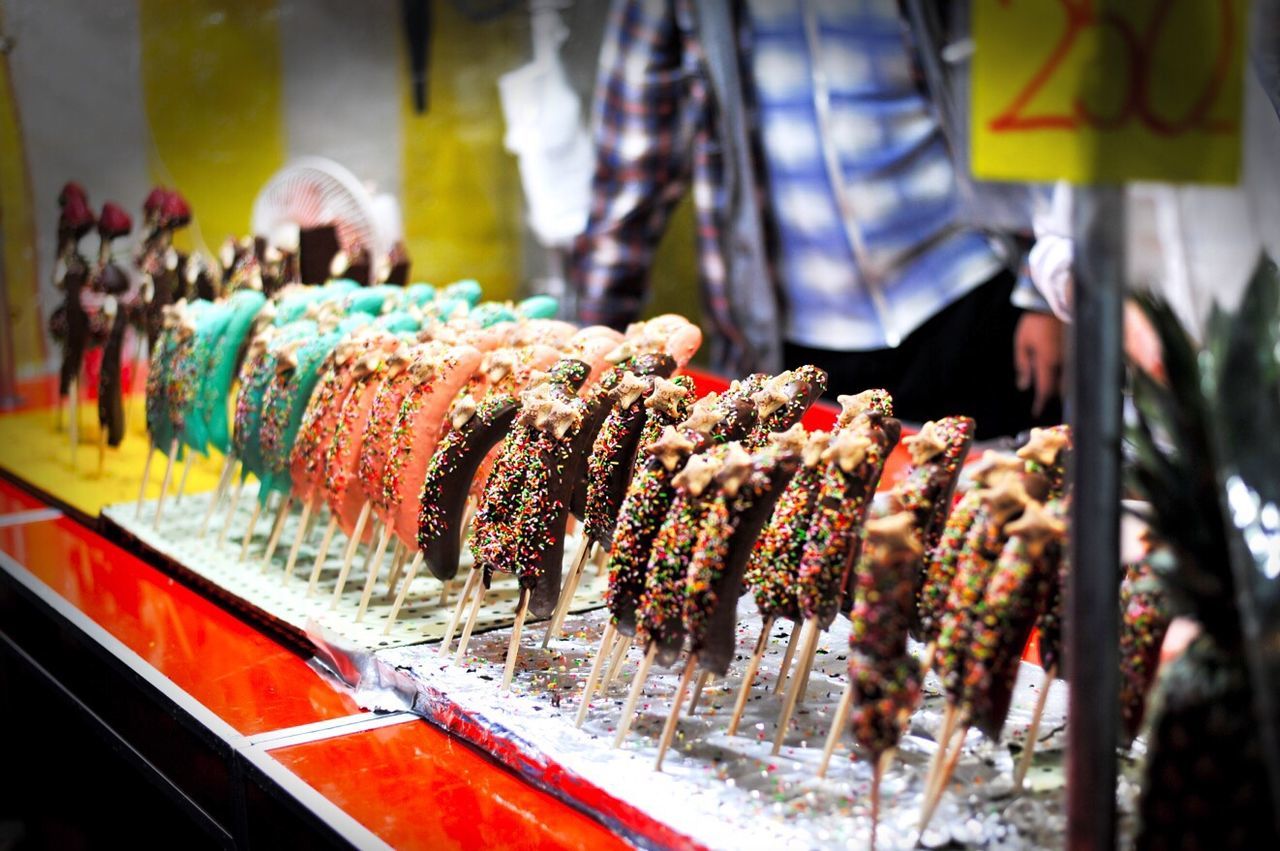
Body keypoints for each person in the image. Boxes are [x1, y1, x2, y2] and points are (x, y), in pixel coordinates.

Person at [570, 0, 1063, 438]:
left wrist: (1044, 292)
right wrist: (587, 364)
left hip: (968, 287)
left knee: (998, 507)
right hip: (789, 341)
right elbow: (630, 166)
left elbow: (1029, 77)